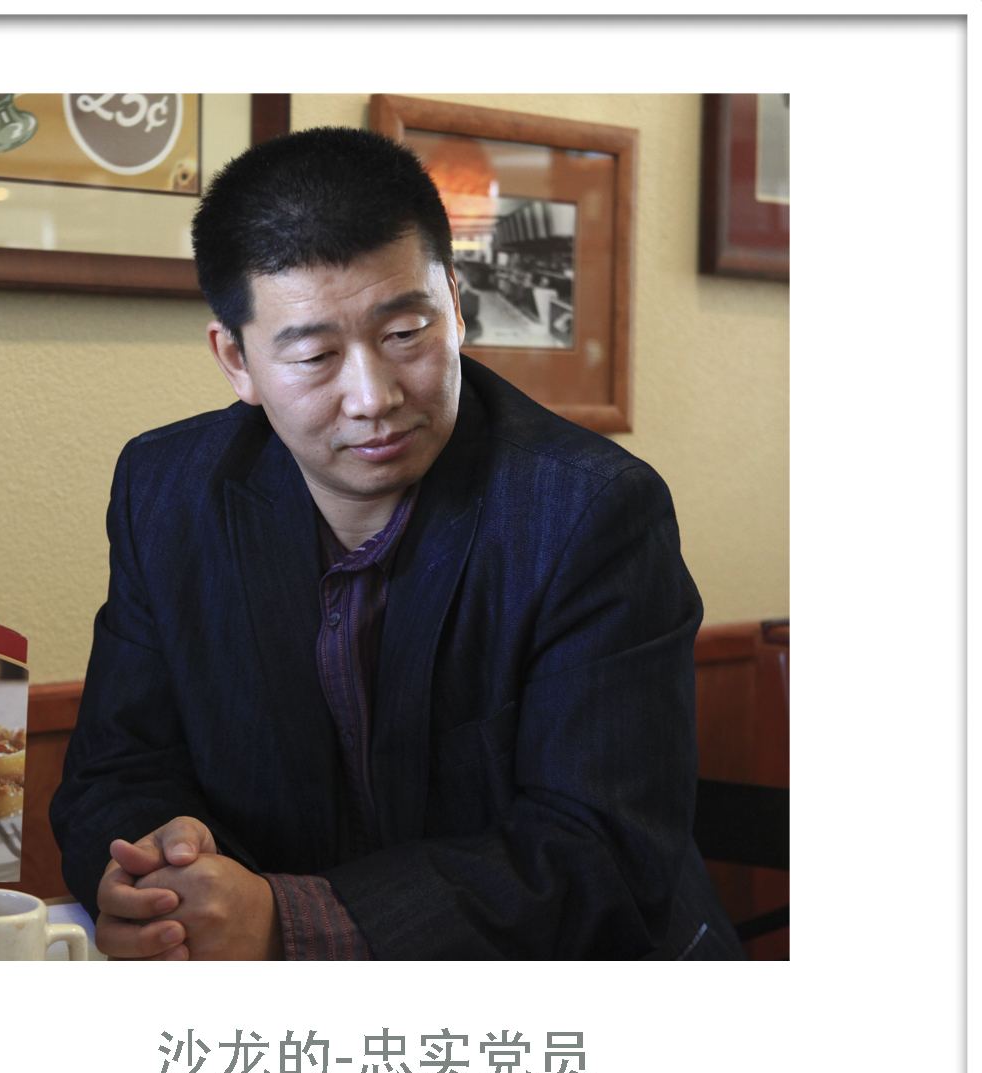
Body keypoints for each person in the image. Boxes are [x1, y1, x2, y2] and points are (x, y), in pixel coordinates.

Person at [49, 126, 743, 961]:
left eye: (406, 332)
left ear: (456, 304)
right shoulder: (167, 491)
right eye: (315, 355)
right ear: (236, 360)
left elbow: (599, 852)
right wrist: (153, 875)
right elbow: (116, 771)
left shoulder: (588, 512)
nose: (373, 396)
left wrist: (286, 920)